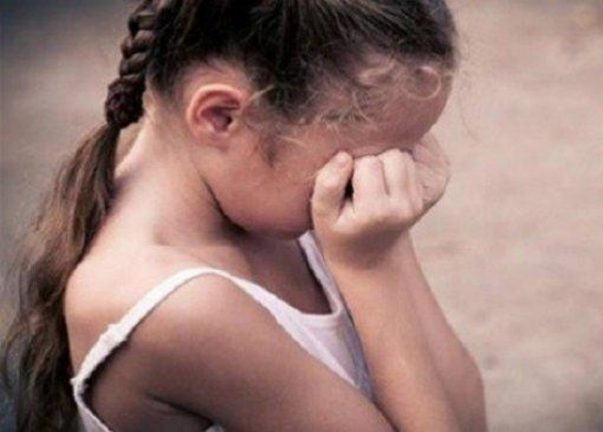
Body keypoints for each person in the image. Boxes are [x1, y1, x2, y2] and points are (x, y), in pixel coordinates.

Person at [1, 1, 487, 431]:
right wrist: (373, 267)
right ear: (221, 117)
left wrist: (388, 244)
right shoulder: (178, 310)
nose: (391, 178)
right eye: (373, 158)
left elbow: (467, 418)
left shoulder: (266, 190)